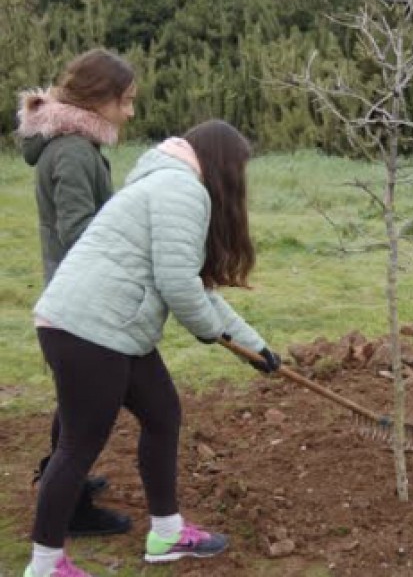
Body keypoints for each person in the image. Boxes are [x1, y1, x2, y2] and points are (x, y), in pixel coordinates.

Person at [23, 119, 282, 577]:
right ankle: (45, 566)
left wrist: (255, 346)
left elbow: (199, 289)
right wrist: (209, 333)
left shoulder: (170, 182)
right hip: (88, 327)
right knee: (78, 446)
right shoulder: (182, 191)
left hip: (117, 327)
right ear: (223, 165)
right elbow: (178, 287)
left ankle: (166, 533)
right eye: (239, 170)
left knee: (162, 415)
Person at [17, 48, 137, 538]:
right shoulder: (71, 151)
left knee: (75, 403)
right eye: (125, 102)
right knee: (85, 410)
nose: (130, 112)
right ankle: (68, 509)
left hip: (74, 292)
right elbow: (78, 234)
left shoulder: (74, 146)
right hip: (79, 300)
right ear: (97, 100)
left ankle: (61, 480)